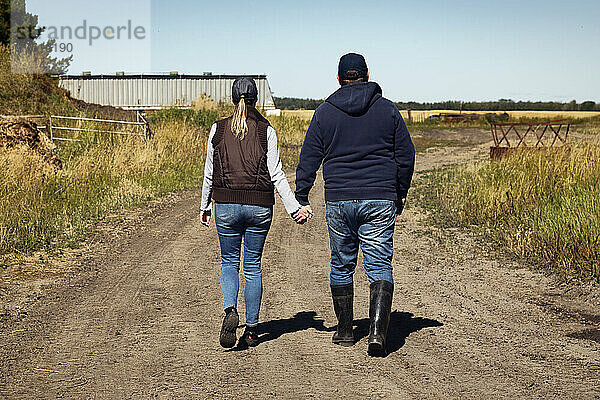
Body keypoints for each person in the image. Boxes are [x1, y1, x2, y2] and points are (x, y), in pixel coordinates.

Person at [295, 53, 415, 356]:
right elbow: (406, 155)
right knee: (379, 264)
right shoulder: (387, 110)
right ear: (367, 75)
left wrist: (302, 193)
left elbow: (309, 156)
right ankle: (376, 333)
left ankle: (346, 331)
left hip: (339, 199)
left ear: (338, 79)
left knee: (341, 263)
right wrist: (399, 191)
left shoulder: (324, 112)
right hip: (380, 197)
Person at [200, 77, 310, 349]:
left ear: (231, 98)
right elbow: (276, 174)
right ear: (256, 100)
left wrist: (205, 205)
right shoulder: (265, 131)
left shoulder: (218, 129)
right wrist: (294, 207)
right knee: (252, 267)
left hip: (225, 205)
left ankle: (229, 311)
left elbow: (209, 173)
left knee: (229, 262)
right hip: (260, 207)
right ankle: (251, 330)